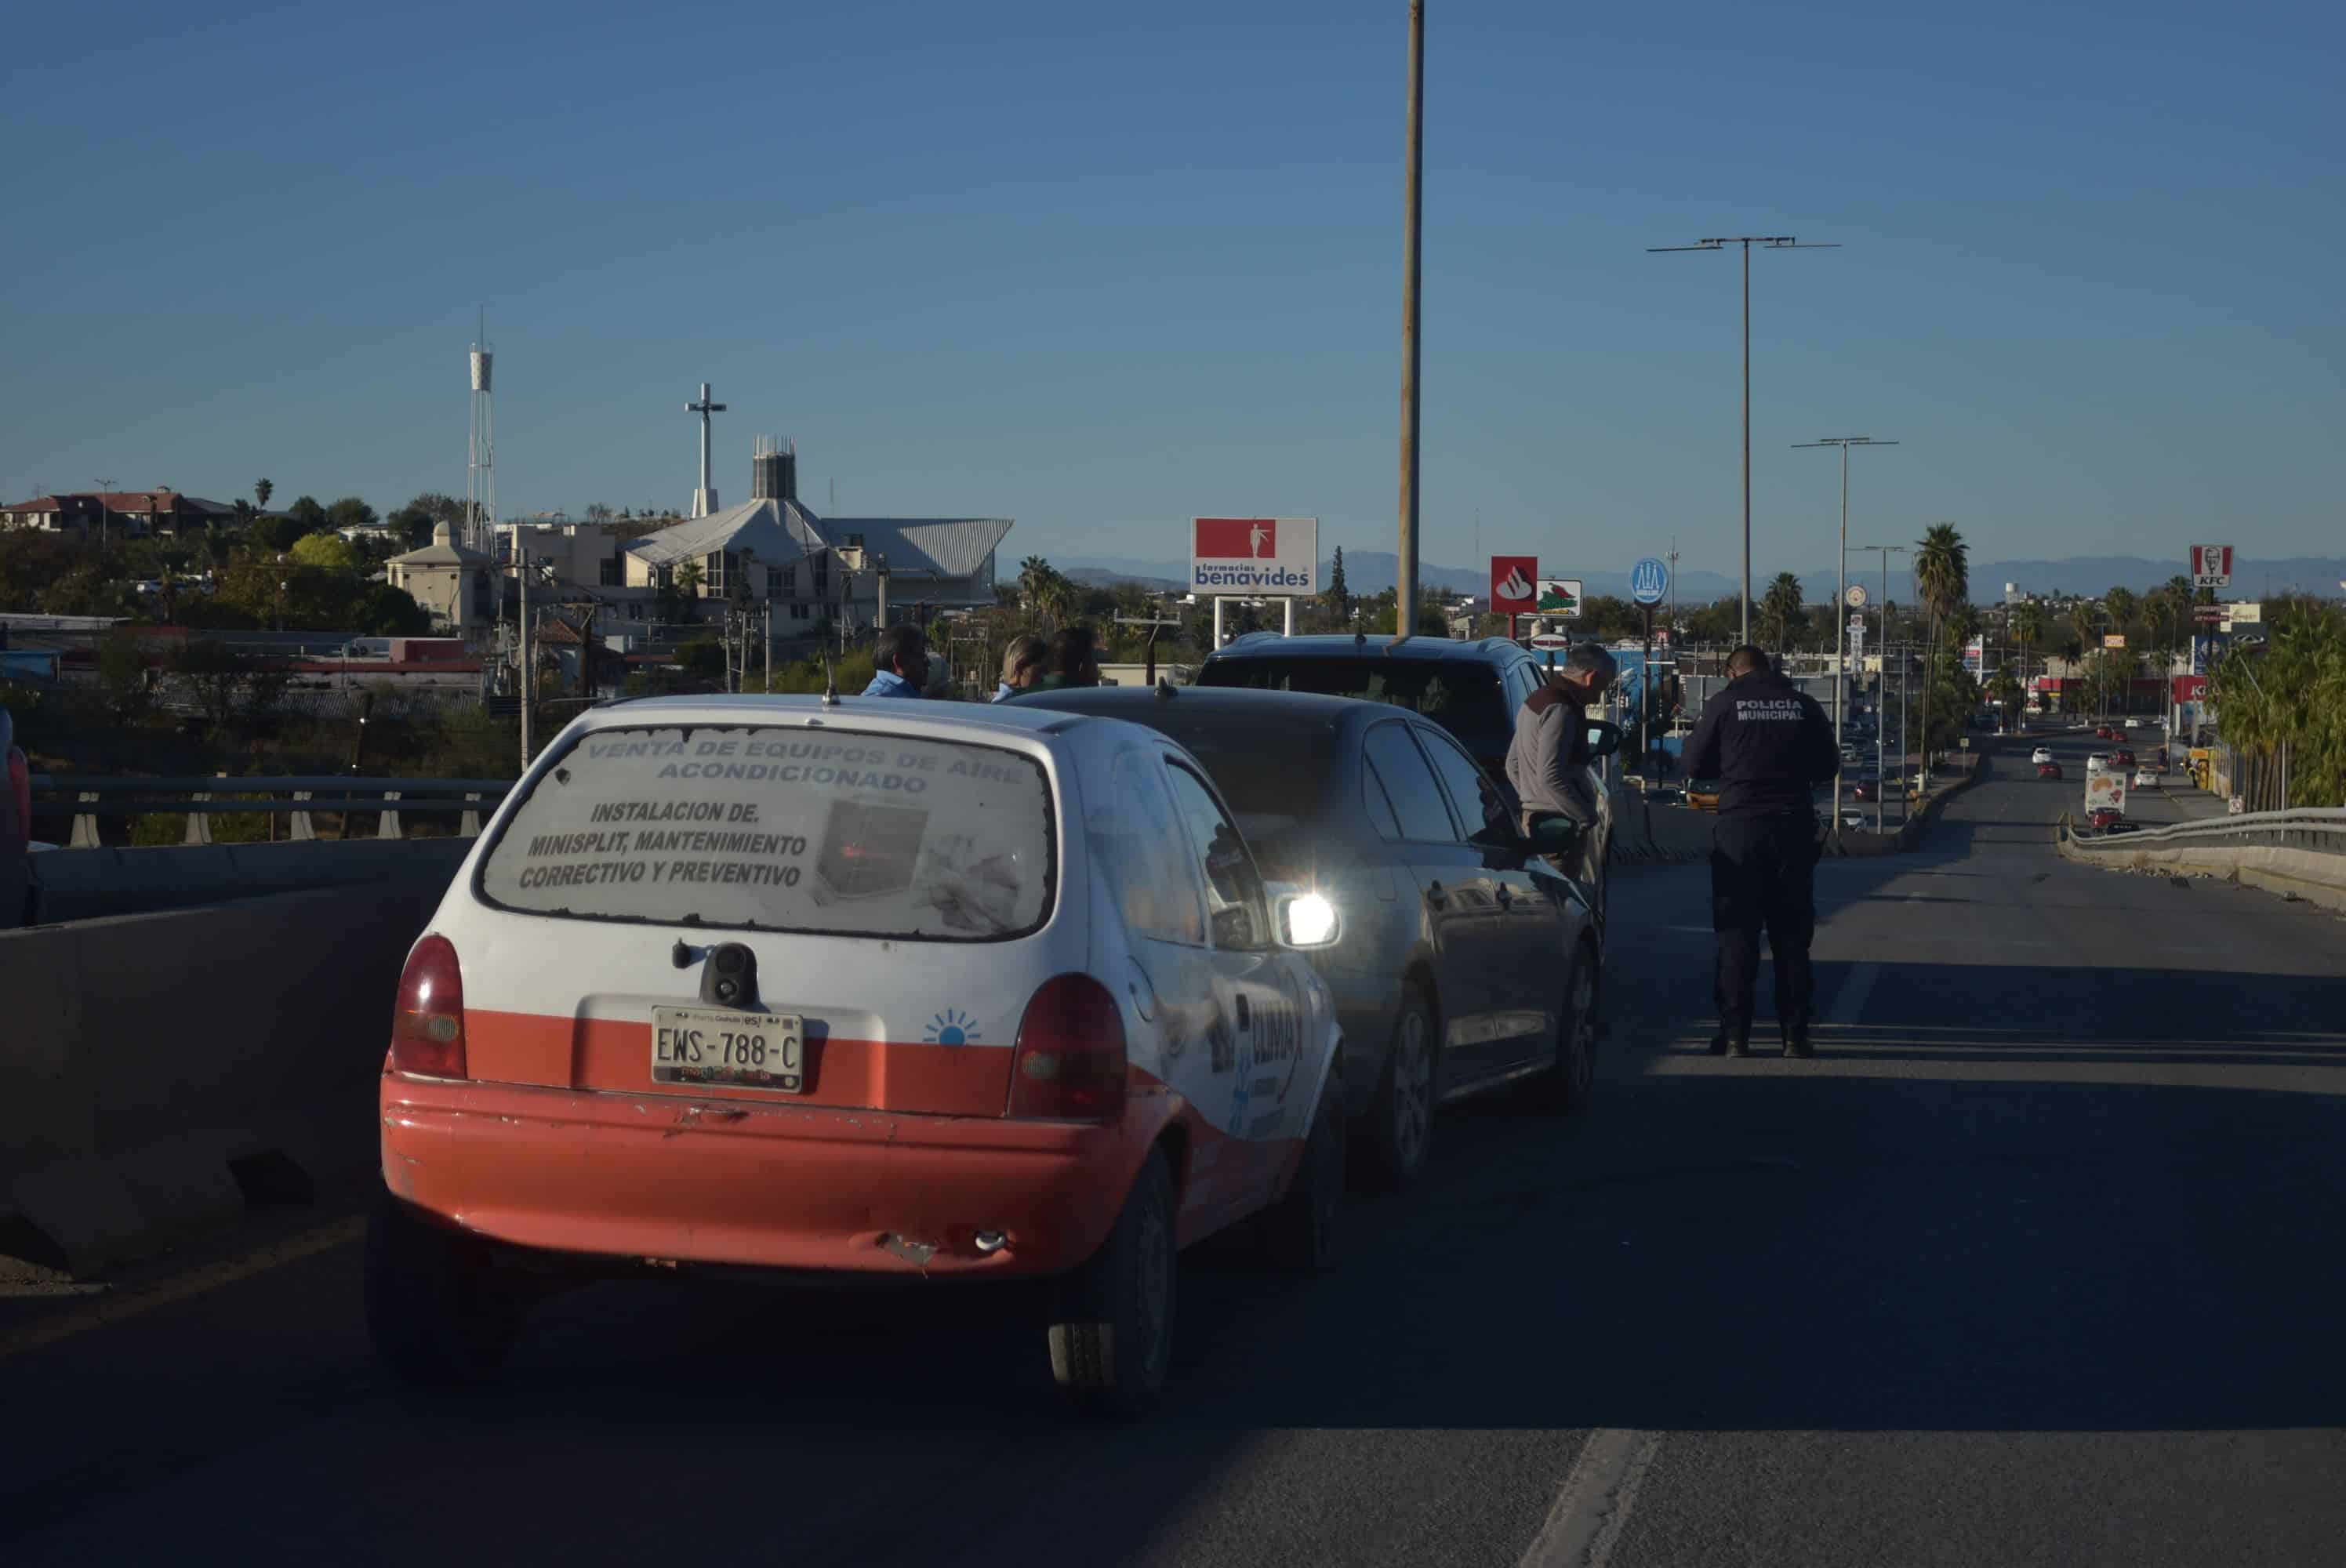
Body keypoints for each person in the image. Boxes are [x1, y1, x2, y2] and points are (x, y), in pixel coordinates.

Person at [1680, 644, 1841, 1058]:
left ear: (1733, 672)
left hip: (1740, 829)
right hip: (1792, 828)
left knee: (1737, 936)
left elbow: (1693, 763)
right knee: (1791, 938)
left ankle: (1735, 1036)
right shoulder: (1803, 705)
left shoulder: (1723, 704)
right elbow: (1829, 766)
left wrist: (1733, 767)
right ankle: (1795, 1036)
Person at [1505, 642, 1618, 844]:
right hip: (1559, 826)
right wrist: (1585, 817)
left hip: (1536, 820)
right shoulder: (1562, 710)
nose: (1603, 692)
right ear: (1591, 677)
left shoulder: (1535, 700)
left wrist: (1531, 801)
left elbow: (1513, 764)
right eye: (1605, 684)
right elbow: (1551, 775)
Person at [1024, 626, 1102, 692]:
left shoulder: (1021, 697)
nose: (1096, 666)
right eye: (1093, 659)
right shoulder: (1092, 704)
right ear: (1083, 665)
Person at [861, 625, 929, 699]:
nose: (928, 662)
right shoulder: (877, 699)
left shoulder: (901, 692)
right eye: (921, 655)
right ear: (899, 661)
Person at [994, 633, 1047, 701]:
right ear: (1019, 669)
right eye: (1041, 672)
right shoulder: (1018, 705)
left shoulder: (1000, 704)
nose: (1045, 678)